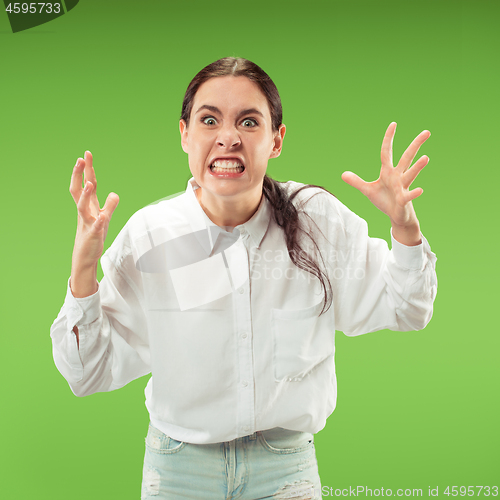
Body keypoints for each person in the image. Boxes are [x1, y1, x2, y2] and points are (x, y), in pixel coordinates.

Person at [50, 57, 437, 500]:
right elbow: (87, 373)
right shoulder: (151, 235)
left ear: (276, 139)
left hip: (285, 469)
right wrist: (83, 269)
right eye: (209, 119)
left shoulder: (317, 220)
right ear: (185, 135)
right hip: (178, 471)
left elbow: (409, 309)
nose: (228, 137)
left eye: (249, 122)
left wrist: (405, 230)